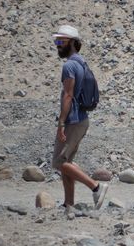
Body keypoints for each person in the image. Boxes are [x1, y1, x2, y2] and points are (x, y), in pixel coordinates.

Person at [51, 25, 108, 209]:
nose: (58, 45)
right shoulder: (82, 62)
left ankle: (96, 186)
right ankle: (69, 204)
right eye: (56, 41)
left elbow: (68, 95)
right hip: (81, 119)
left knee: (59, 162)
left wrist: (61, 124)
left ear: (73, 43)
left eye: (61, 41)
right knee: (66, 162)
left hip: (73, 121)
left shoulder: (69, 65)